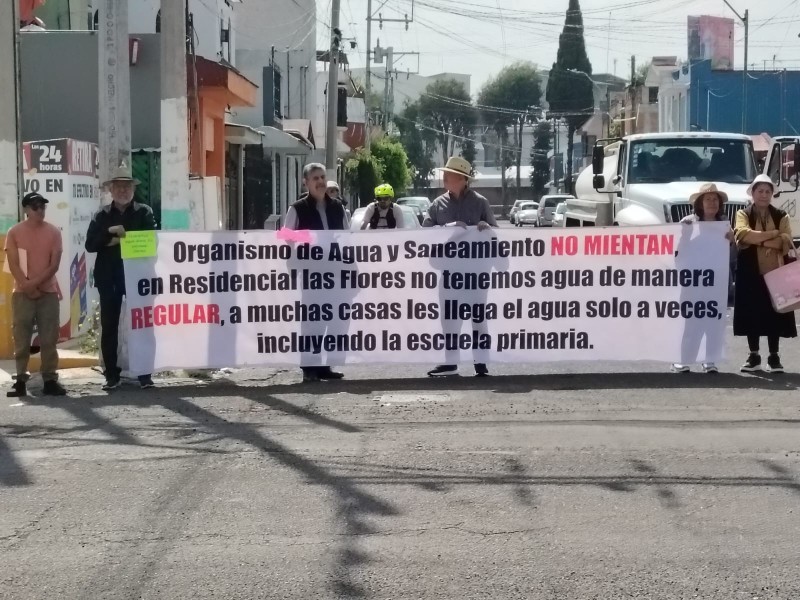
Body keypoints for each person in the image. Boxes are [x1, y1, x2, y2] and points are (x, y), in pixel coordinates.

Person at [423, 156, 497, 377]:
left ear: (463, 179)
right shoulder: (438, 204)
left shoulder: (481, 202)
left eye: (450, 174)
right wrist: (448, 226)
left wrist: (486, 229)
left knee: (478, 319)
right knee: (449, 319)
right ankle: (451, 361)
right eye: (445, 173)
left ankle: (480, 361)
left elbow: (497, 233)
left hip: (476, 274)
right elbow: (425, 231)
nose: (445, 177)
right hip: (449, 272)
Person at [85, 165, 157, 390]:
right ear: (111, 190)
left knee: (143, 325)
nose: (123, 191)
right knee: (110, 327)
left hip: (138, 278)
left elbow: (152, 242)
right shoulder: (102, 215)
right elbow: (90, 245)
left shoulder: (144, 212)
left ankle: (145, 374)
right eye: (119, 187)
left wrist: (124, 240)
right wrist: (109, 235)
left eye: (127, 187)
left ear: (133, 189)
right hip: (109, 278)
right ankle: (111, 375)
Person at [285, 163, 350, 383]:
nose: (320, 182)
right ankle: (309, 367)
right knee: (313, 320)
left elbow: (347, 239)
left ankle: (325, 366)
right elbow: (286, 237)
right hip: (311, 274)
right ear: (306, 183)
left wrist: (351, 270)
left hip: (335, 272)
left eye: (323, 177)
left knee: (334, 319)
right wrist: (311, 240)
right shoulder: (297, 208)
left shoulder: (337, 207)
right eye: (315, 178)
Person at [4, 192, 66, 397]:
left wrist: (35, 285)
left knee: (49, 337)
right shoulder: (14, 232)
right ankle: (20, 379)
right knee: (21, 337)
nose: (40, 210)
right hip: (22, 292)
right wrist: (27, 285)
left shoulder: (54, 232)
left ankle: (49, 379)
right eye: (35, 206)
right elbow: (12, 263)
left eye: (42, 206)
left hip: (47, 291)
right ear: (26, 209)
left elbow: (54, 264)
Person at [733, 174, 797, 373]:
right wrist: (772, 235)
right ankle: (754, 355)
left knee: (775, 313)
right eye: (760, 191)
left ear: (772, 194)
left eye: (767, 191)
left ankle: (774, 356)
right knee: (752, 312)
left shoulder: (781, 215)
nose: (763, 195)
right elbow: (742, 234)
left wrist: (756, 239)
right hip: (750, 270)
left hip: (775, 270)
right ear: (753, 193)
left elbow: (785, 242)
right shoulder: (742, 213)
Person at [671, 183, 735, 374]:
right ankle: (684, 360)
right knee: (692, 322)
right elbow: (678, 255)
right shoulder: (688, 222)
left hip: (717, 282)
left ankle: (710, 360)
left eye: (715, 199)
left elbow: (732, 258)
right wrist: (685, 235)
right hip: (694, 282)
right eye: (708, 199)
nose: (712, 203)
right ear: (700, 203)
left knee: (714, 322)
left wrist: (732, 241)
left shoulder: (725, 224)